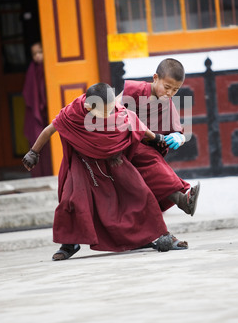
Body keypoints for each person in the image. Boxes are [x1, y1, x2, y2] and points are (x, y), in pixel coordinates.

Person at [22, 83, 177, 261]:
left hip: (113, 159)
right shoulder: (72, 113)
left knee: (138, 192)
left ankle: (153, 235)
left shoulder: (115, 110)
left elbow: (135, 123)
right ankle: (70, 243)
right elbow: (50, 130)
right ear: (88, 107)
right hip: (83, 161)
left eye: (112, 110)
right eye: (105, 113)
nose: (110, 115)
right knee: (72, 198)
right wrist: (34, 152)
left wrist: (156, 138)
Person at [117, 58, 200, 221]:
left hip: (145, 147)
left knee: (157, 164)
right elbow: (114, 107)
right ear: (155, 78)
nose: (169, 93)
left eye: (175, 90)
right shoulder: (136, 89)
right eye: (167, 87)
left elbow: (179, 131)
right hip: (124, 143)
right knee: (152, 161)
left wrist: (179, 137)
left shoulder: (167, 103)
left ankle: (183, 197)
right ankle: (182, 197)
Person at [22, 42, 52, 177]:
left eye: (40, 52)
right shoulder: (32, 70)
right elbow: (29, 94)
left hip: (48, 113)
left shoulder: (48, 68)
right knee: (38, 144)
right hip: (38, 114)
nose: (38, 56)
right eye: (34, 54)